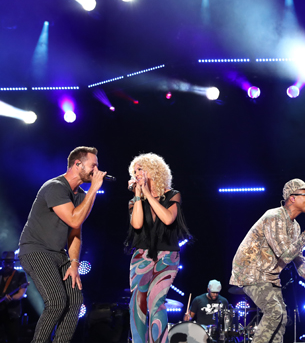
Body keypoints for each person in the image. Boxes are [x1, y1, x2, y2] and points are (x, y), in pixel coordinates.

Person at [230, 178, 305, 343]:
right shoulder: (274, 216)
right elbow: (285, 255)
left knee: (282, 318)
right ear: (292, 198)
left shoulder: (295, 227)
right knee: (274, 312)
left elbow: (299, 259)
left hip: (270, 275)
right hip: (252, 272)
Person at [18, 146, 105, 343]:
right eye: (93, 166)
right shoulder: (55, 187)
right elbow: (74, 220)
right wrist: (94, 189)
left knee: (75, 301)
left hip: (58, 253)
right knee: (57, 302)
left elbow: (75, 231)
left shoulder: (81, 195)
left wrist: (74, 263)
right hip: (35, 250)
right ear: (77, 164)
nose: (96, 171)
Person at [124, 153, 191, 343]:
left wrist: (148, 194)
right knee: (137, 304)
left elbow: (168, 218)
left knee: (156, 301)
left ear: (153, 170)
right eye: (134, 171)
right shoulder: (134, 201)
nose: (136, 173)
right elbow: (136, 224)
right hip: (141, 256)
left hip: (167, 256)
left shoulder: (172, 194)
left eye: (140, 169)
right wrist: (138, 196)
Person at [0, 251, 28, 343]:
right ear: (2, 263)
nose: (8, 265)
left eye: (10, 263)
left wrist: (12, 298)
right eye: (6, 263)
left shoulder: (20, 275)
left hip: (13, 313)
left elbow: (21, 293)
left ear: (13, 263)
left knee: (13, 338)